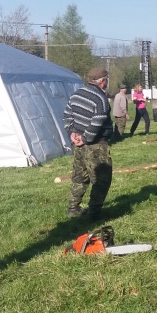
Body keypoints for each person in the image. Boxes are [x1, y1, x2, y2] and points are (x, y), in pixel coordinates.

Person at [63, 68, 113, 220]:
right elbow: (96, 123)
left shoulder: (76, 94)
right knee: (101, 179)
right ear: (102, 81)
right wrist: (85, 139)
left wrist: (72, 132)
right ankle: (94, 213)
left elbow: (67, 115)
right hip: (95, 145)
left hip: (77, 144)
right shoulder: (100, 99)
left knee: (80, 176)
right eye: (106, 80)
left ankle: (73, 207)